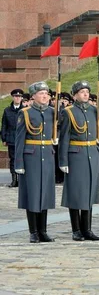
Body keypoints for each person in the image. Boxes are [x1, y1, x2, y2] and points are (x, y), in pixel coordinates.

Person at [59, 81, 99, 241]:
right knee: (76, 193)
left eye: (87, 91)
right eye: (82, 92)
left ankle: (87, 229)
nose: (86, 94)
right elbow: (64, 137)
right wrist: (63, 161)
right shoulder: (68, 112)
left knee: (89, 192)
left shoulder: (94, 110)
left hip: (91, 153)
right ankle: (76, 229)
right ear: (75, 95)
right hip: (75, 155)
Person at [14, 82, 56, 243]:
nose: (44, 96)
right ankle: (33, 231)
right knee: (32, 194)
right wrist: (19, 163)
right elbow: (20, 140)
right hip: (30, 156)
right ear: (33, 96)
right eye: (41, 93)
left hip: (47, 154)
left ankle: (43, 230)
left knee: (44, 193)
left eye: (46, 93)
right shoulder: (25, 113)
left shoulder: (53, 112)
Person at [2, 88, 25, 188]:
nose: (17, 98)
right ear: (13, 97)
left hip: (22, 138)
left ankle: (21, 180)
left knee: (22, 158)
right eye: (16, 96)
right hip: (11, 138)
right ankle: (14, 180)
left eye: (19, 97)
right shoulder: (7, 110)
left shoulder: (25, 110)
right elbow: (4, 125)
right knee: (13, 159)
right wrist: (4, 138)